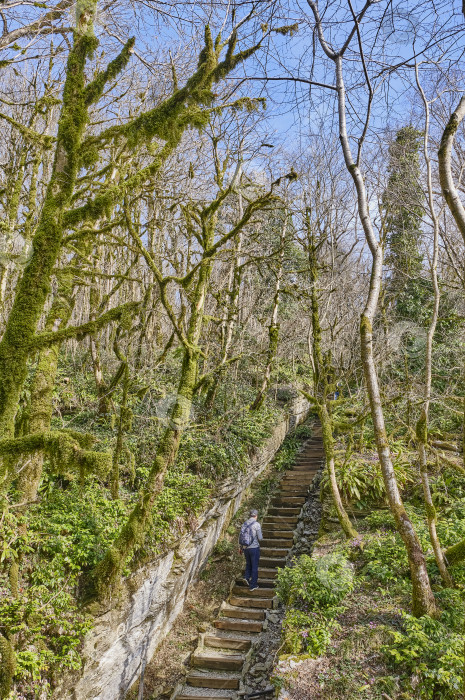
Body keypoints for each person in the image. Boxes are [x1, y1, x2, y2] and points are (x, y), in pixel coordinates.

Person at [239, 508, 263, 591]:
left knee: (248, 564)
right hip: (254, 548)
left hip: (246, 548)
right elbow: (260, 538)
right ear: (256, 516)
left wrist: (241, 548)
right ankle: (253, 585)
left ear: (250, 515)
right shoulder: (257, 524)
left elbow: (241, 536)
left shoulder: (244, 524)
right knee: (254, 566)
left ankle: (246, 577)